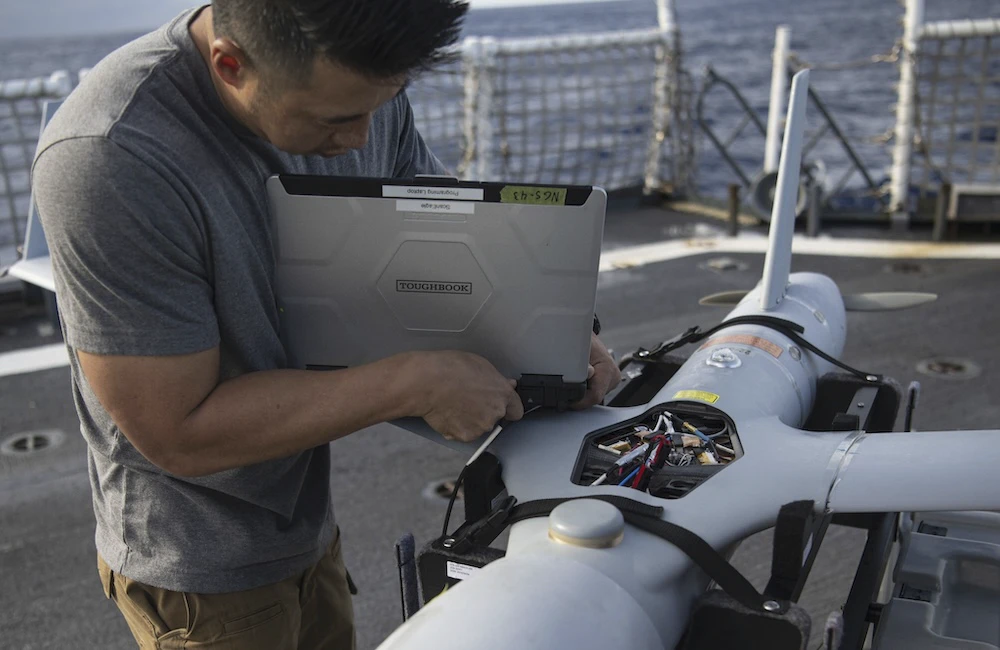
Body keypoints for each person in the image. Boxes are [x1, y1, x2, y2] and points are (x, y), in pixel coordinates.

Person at [30, 1, 622, 648]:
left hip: (307, 520)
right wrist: (415, 384)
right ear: (231, 65)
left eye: (385, 103)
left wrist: (553, 336)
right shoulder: (110, 159)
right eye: (336, 120)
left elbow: (435, 234)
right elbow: (178, 431)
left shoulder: (353, 84)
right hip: (199, 566)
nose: (364, 140)